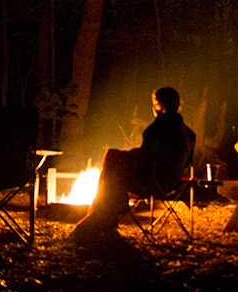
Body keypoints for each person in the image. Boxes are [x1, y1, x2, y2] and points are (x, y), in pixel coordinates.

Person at [68, 86, 196, 246]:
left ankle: (103, 216)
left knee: (112, 164)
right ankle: (106, 216)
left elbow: (145, 160)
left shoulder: (159, 127)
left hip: (153, 181)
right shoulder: (186, 131)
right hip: (173, 183)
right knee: (115, 168)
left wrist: (124, 157)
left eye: (155, 104)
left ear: (160, 105)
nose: (154, 108)